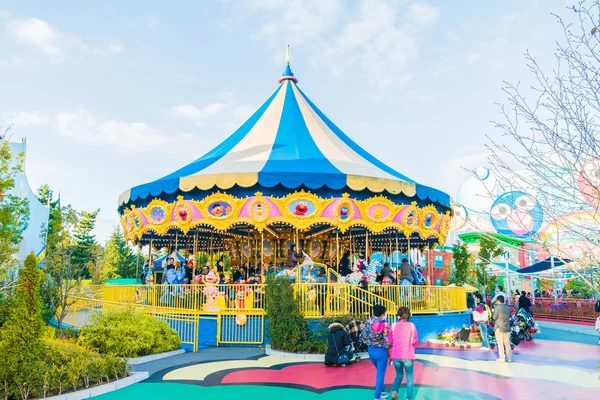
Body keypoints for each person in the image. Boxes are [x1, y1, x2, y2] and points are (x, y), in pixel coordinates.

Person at [360, 304, 391, 400]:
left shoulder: (368, 322)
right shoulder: (385, 324)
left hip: (371, 350)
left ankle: (383, 392)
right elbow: (387, 340)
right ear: (382, 313)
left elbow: (363, 337)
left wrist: (370, 342)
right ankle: (377, 396)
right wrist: (390, 349)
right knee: (380, 374)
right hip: (381, 352)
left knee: (379, 372)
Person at [389, 306, 418, 400]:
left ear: (398, 315)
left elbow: (390, 339)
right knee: (409, 377)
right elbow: (415, 340)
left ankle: (394, 391)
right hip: (408, 355)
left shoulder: (393, 325)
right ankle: (408, 398)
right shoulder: (411, 325)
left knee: (399, 375)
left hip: (396, 355)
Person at [493, 295, 512, 363]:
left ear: (498, 300)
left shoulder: (497, 307)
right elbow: (510, 316)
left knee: (500, 343)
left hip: (499, 327)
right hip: (507, 327)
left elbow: (494, 317)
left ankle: (502, 358)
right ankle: (509, 358)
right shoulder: (508, 307)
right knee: (507, 343)